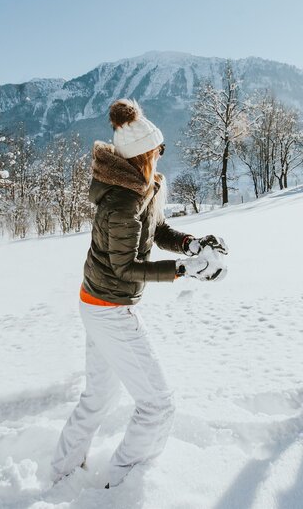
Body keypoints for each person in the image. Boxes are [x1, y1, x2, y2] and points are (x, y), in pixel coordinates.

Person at [51, 99, 228, 488]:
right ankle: (122, 484)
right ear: (142, 156)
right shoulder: (122, 201)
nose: (162, 154)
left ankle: (63, 473)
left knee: (99, 398)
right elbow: (125, 268)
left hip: (97, 301)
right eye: (157, 149)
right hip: (109, 307)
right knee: (158, 405)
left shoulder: (142, 187)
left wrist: (191, 245)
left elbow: (157, 229)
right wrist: (183, 270)